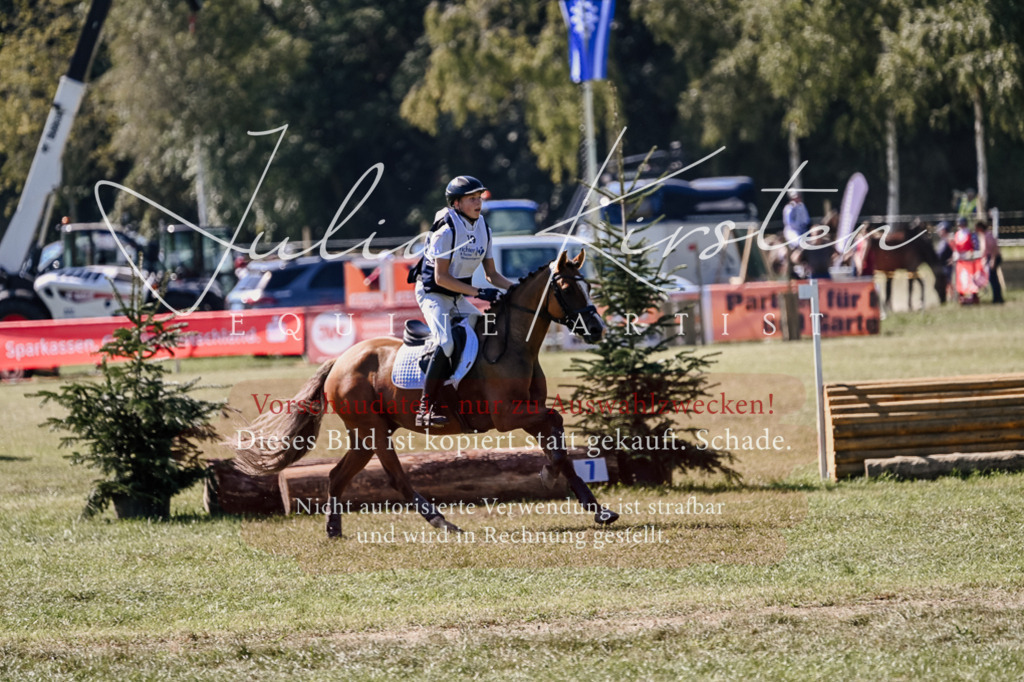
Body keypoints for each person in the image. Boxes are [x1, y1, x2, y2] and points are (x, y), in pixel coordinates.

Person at [414, 175, 515, 427]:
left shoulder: (484, 228)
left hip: (457, 295)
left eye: (479, 197)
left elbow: (492, 275)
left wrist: (521, 289)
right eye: (472, 198)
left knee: (485, 333)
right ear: (457, 204)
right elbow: (441, 277)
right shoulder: (446, 230)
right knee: (446, 342)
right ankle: (425, 407)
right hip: (433, 293)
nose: (478, 202)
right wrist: (478, 292)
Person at [975, 221, 1004, 304]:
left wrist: (992, 260)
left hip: (993, 258)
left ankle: (997, 298)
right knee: (993, 279)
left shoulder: (988, 236)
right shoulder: (984, 236)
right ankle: (997, 298)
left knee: (993, 279)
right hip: (990, 258)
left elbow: (994, 248)